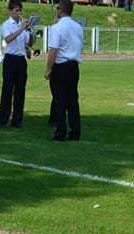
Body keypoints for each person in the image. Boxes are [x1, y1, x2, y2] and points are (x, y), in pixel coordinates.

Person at [45, 0, 82, 142]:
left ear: (60, 10)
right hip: (74, 65)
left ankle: (60, 132)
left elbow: (53, 50)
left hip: (61, 66)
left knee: (59, 100)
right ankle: (75, 131)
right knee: (72, 100)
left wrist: (48, 68)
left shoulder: (57, 27)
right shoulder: (78, 27)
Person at [0, 0, 32, 128]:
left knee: (20, 91)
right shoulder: (6, 24)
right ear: (10, 11)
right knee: (7, 90)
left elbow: (29, 43)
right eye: (16, 10)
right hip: (10, 59)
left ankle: (17, 120)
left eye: (20, 10)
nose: (19, 13)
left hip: (21, 59)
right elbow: (8, 39)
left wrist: (30, 31)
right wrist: (21, 28)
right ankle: (3, 119)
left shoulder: (23, 26)